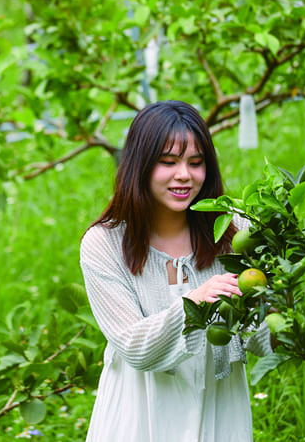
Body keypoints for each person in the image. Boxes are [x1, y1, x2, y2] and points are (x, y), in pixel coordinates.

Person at [80, 100, 272, 442]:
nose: (184, 175)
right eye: (168, 162)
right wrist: (194, 302)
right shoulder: (104, 244)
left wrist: (288, 295)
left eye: (196, 163)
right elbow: (134, 346)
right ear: (139, 166)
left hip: (218, 411)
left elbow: (265, 341)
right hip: (139, 419)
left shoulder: (234, 231)